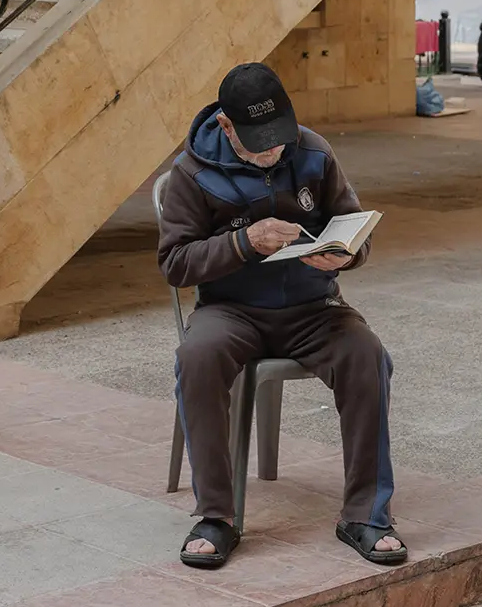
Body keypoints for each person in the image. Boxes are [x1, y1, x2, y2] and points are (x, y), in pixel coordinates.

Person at [160, 64, 404, 570]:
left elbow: (355, 227)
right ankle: (216, 516)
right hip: (231, 311)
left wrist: (345, 255)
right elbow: (175, 264)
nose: (273, 150)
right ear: (226, 125)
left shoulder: (314, 152)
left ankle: (366, 514)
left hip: (313, 309)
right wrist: (244, 242)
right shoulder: (192, 172)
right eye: (259, 141)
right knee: (197, 357)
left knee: (367, 355)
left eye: (279, 136)